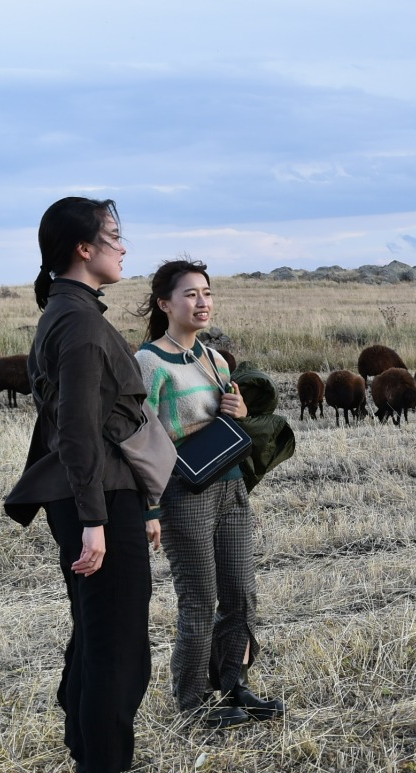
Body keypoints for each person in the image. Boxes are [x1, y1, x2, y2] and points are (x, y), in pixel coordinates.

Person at [4, 197, 165, 773]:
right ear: (83, 249)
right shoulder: (78, 323)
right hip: (94, 499)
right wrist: (95, 520)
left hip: (95, 496)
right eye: (116, 237)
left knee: (98, 638)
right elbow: (74, 429)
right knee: (117, 647)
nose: (124, 248)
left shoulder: (68, 314)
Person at [133, 260, 286, 728]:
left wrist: (236, 409)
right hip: (183, 493)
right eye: (191, 294)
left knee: (241, 594)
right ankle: (192, 702)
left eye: (207, 293)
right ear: (165, 304)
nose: (202, 302)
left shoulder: (213, 358)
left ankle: (233, 683)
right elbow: (141, 436)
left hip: (230, 485)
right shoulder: (149, 362)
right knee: (199, 600)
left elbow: (224, 419)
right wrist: (150, 507)